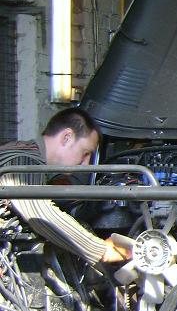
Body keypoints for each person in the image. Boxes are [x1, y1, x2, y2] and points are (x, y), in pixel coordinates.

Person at [0, 108, 130, 264]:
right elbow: (39, 212)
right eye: (85, 153)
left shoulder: (34, 164)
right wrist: (100, 250)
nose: (86, 164)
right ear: (67, 137)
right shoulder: (21, 159)